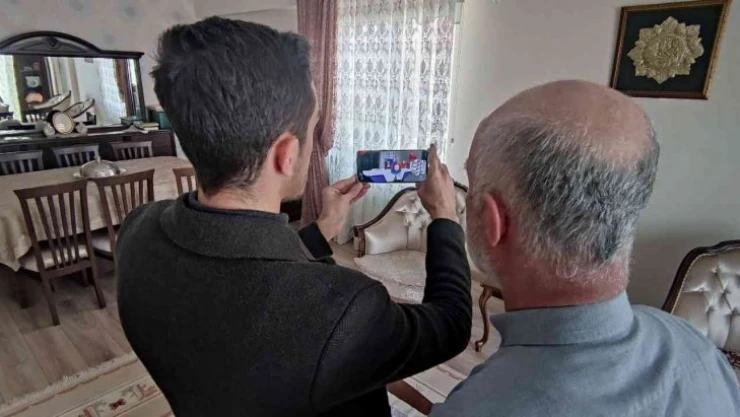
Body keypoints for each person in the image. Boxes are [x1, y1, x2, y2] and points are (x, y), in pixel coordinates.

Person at [115, 17, 472, 417]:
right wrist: (444, 215)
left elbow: (243, 272)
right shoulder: (343, 309)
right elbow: (451, 324)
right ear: (285, 154)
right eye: (313, 127)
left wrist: (322, 230)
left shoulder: (137, 231)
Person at [431, 80, 740, 416]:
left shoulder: (477, 406)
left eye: (472, 185)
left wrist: (443, 216)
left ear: (494, 222)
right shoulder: (696, 348)